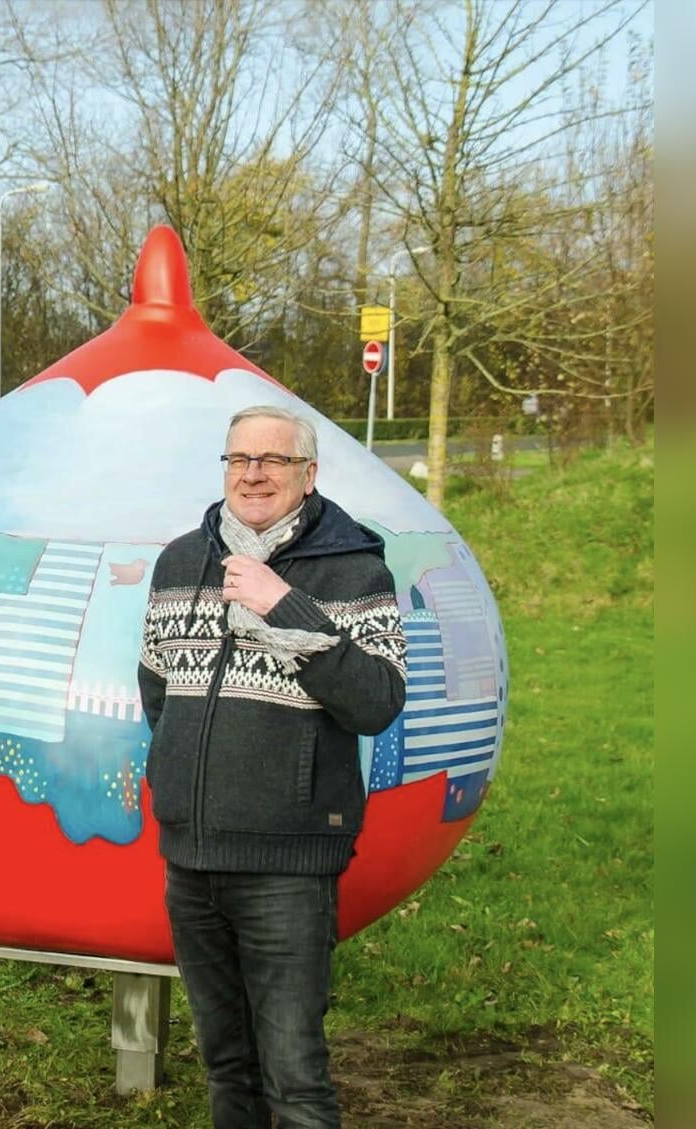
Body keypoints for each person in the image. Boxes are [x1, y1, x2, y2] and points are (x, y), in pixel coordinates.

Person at [137, 405, 408, 1128]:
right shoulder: (178, 562)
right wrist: (179, 782)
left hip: (287, 864)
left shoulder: (356, 569)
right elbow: (158, 690)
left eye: (273, 460)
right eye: (239, 459)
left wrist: (285, 605)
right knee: (227, 1063)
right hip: (192, 857)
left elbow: (378, 701)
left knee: (292, 1074)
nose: (253, 473)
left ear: (308, 474)